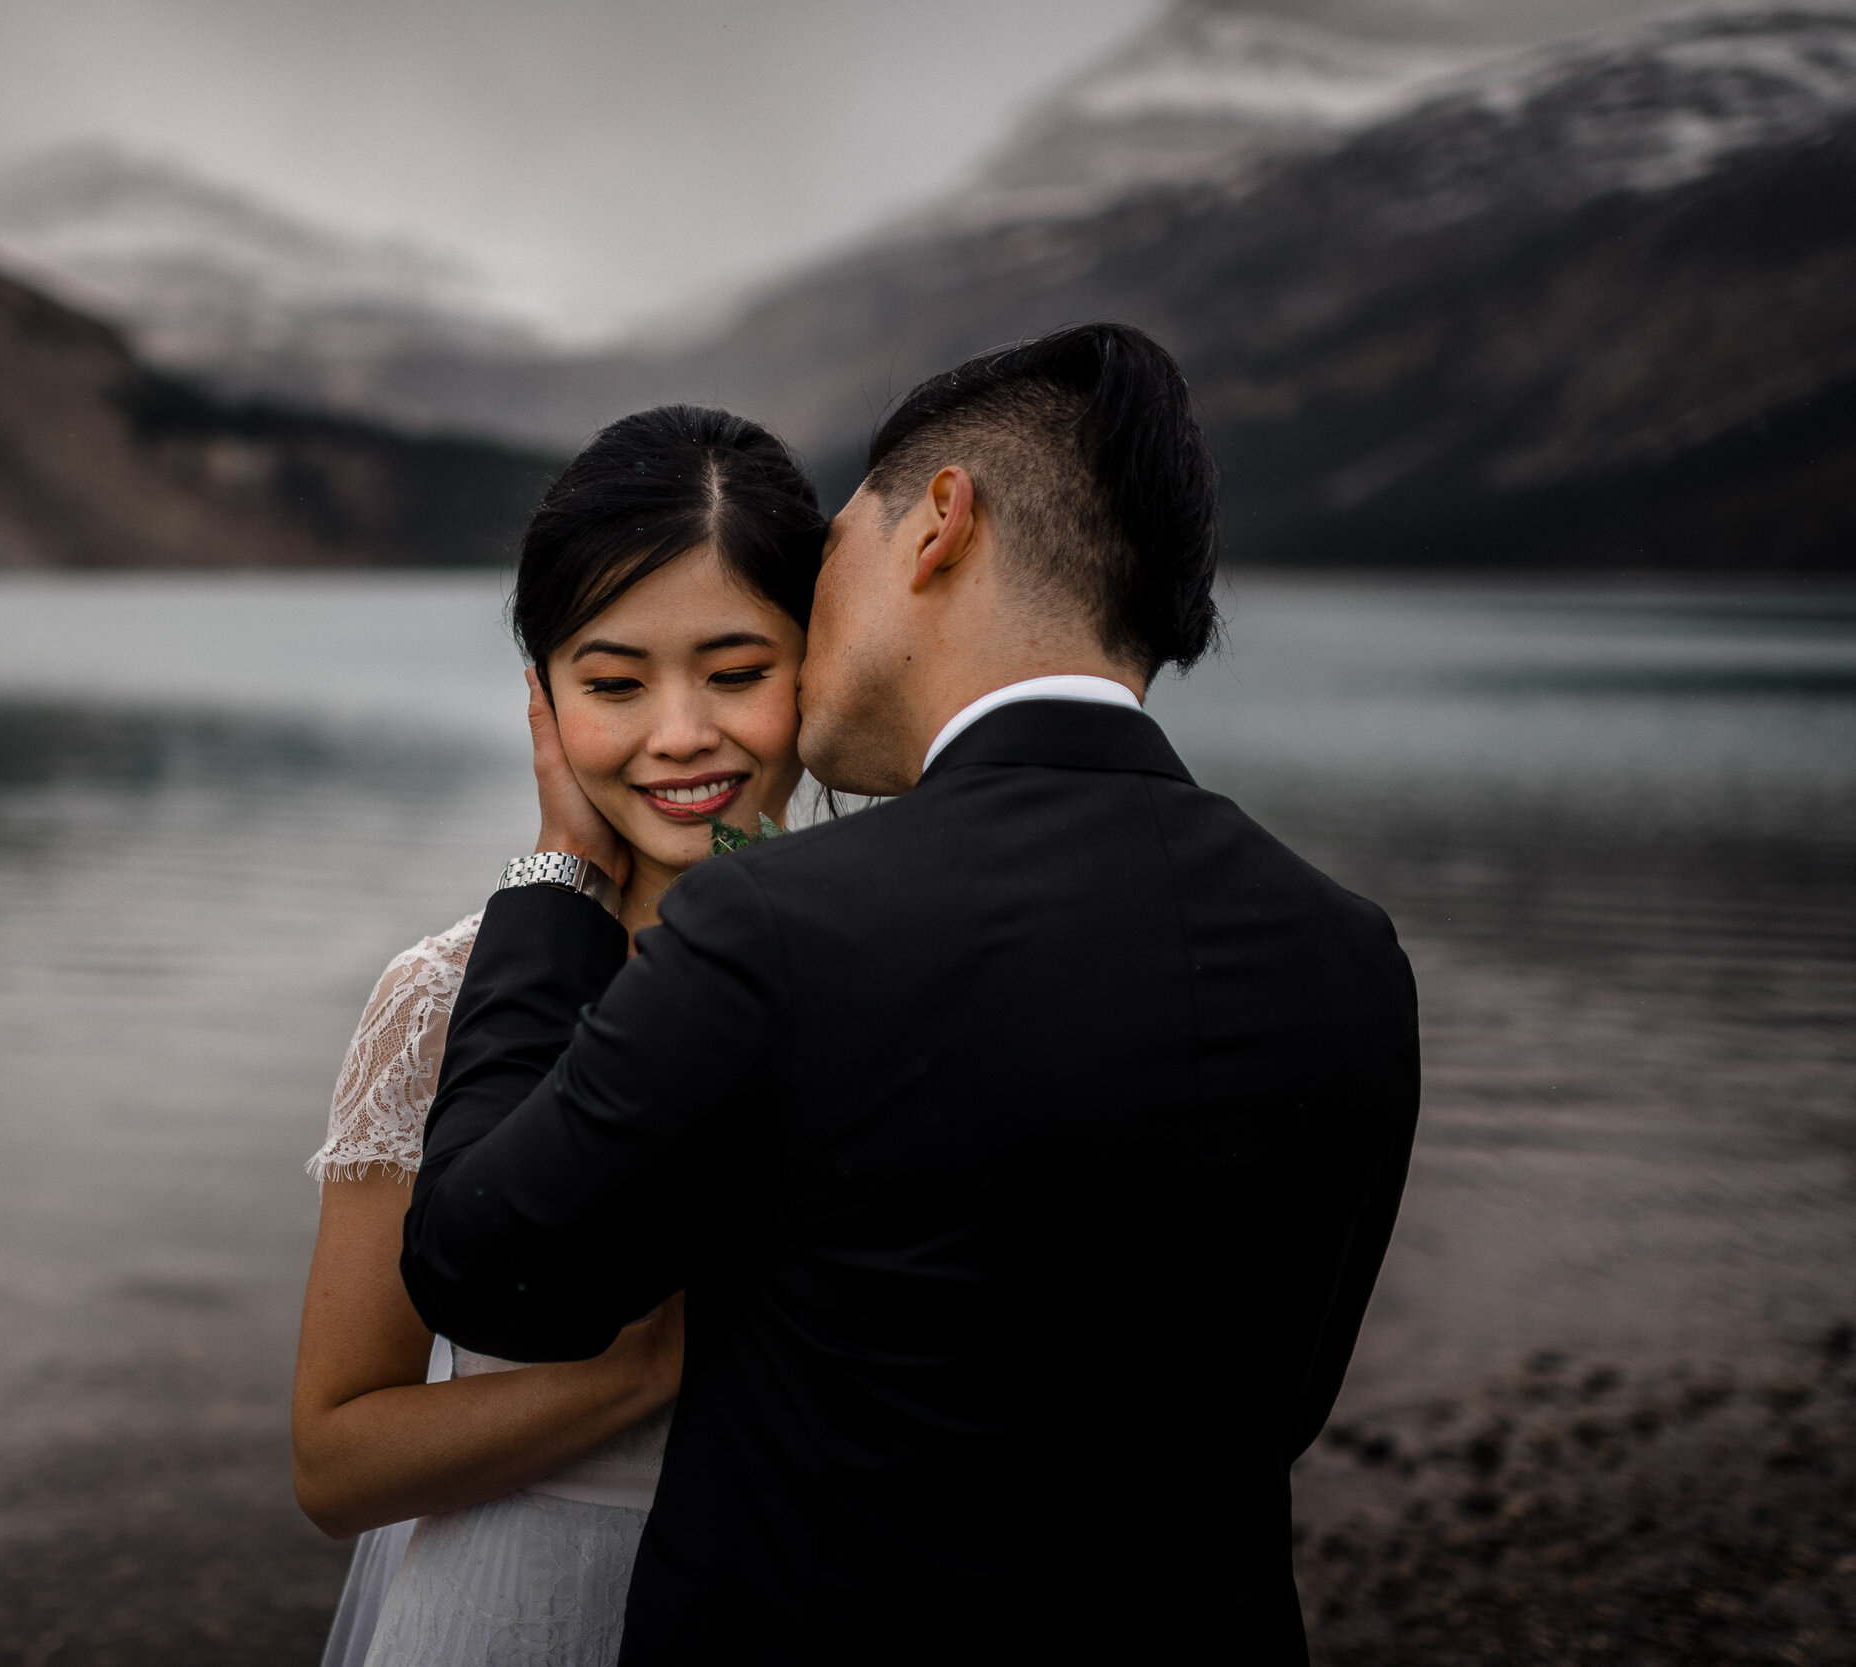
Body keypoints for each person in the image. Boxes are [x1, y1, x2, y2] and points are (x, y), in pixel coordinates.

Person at [402, 323, 1423, 1664]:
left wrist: (555, 877)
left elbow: (482, 1263)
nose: (813, 623)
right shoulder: (1352, 955)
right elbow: (1278, 1403)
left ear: (936, 526)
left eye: (833, 552)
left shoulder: (782, 921)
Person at [292, 405, 832, 1666]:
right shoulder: (439, 996)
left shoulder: (907, 957)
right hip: (506, 1616)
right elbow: (333, 1461)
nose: (680, 732)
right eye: (613, 681)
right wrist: (631, 1375)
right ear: (541, 696)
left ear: (822, 661)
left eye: (738, 670)